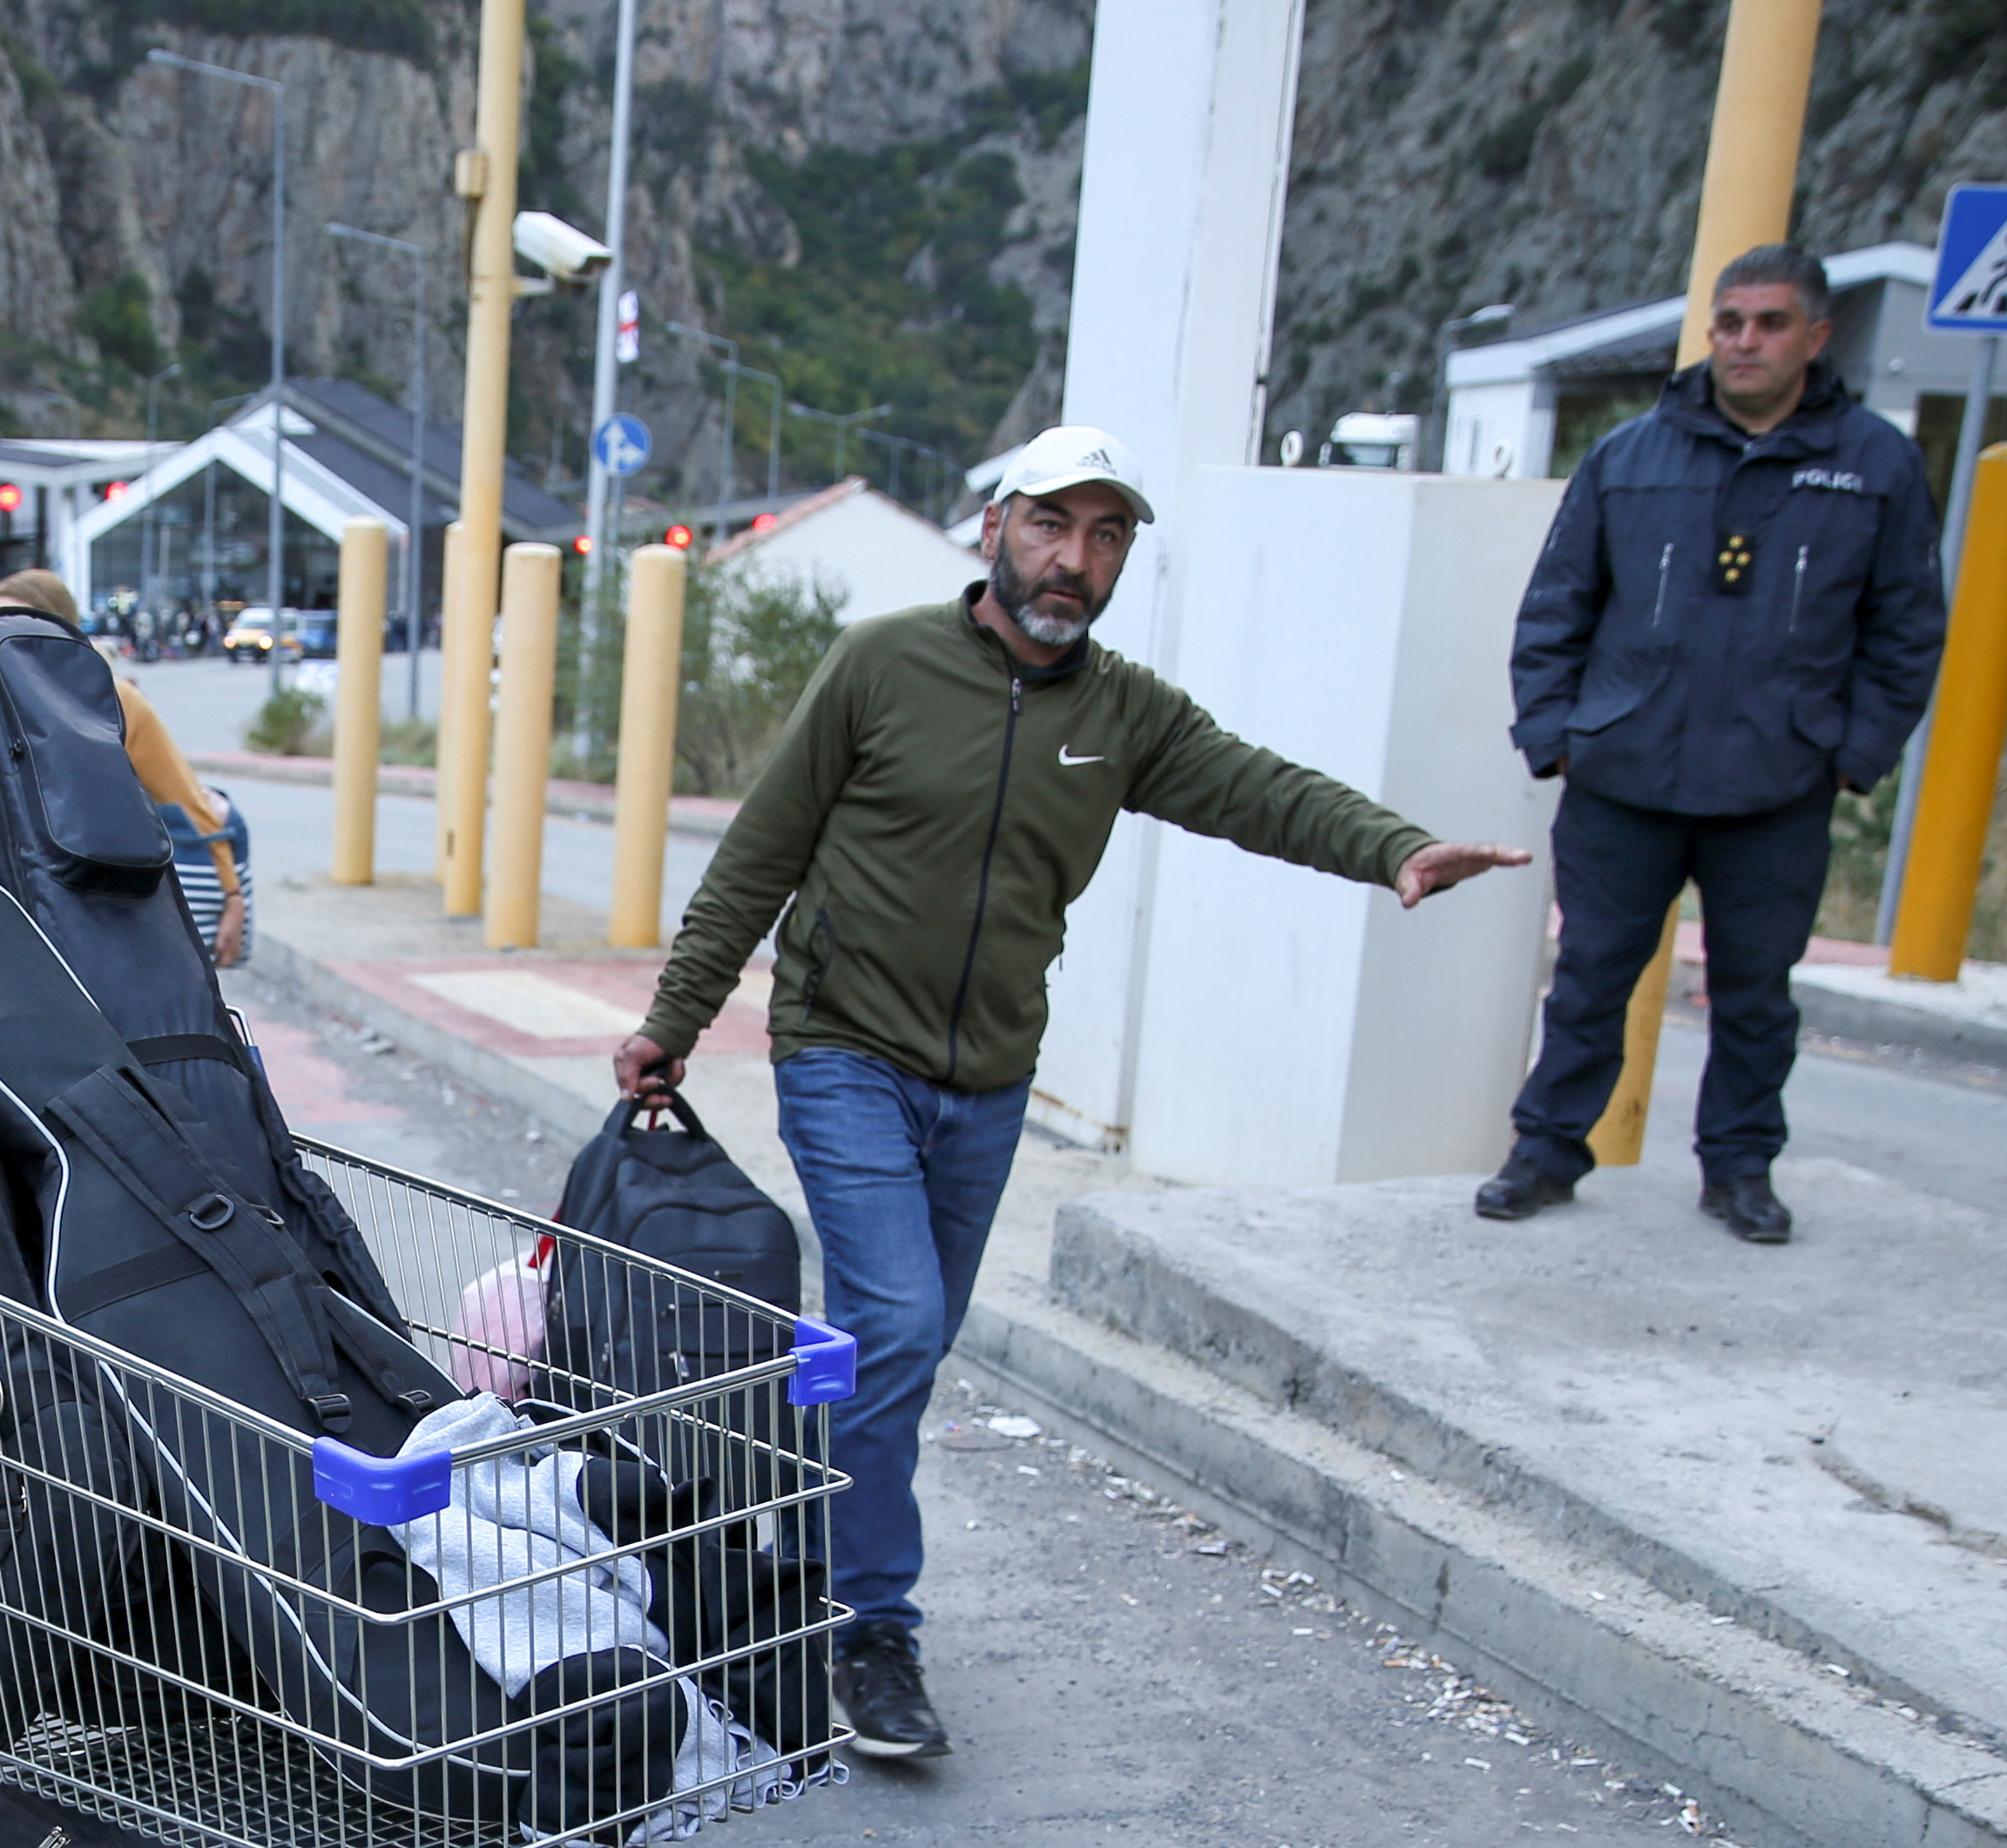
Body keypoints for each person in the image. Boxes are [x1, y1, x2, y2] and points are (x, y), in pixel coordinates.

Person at [612, 426, 1529, 1764]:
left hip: (988, 1080)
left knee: (896, 1352)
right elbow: (760, 854)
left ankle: (793, 1549)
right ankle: (869, 1631)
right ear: (994, 527)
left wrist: (1391, 847)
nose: (1073, 558)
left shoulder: (1122, 715)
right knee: (896, 1326)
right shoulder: (880, 666)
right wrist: (673, 1021)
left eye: (1105, 536)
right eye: (1051, 524)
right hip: (841, 1048)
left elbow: (1256, 790)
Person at [1485, 243, 1945, 1244]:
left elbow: (1906, 630)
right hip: (1624, 775)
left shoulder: (1875, 466)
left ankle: (1739, 1169)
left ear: (1814, 336)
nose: (1744, 342)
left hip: (1777, 784)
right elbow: (1556, 606)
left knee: (1754, 995)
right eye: (1729, 323)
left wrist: (1853, 753)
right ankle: (1546, 1152)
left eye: (1769, 324)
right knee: (1589, 978)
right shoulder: (1629, 457)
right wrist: (1553, 737)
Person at [0, 566, 250, 961]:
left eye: (19, 625)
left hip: (106, 910)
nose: (1, 640)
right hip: (18, 910)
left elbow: (185, 801)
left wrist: (232, 896)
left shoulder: (116, 701)